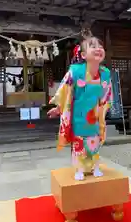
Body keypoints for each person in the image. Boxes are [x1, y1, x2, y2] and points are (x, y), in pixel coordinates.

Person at [48, 36, 112, 181]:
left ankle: (95, 167)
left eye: (100, 46)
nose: (98, 48)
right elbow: (65, 91)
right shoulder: (75, 71)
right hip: (78, 114)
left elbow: (107, 94)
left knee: (94, 142)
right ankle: (79, 169)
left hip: (94, 115)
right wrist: (59, 108)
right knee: (79, 144)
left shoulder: (105, 73)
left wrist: (105, 108)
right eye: (93, 46)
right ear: (83, 55)